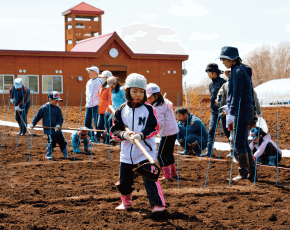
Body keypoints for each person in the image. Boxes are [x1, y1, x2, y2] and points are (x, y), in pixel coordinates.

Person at [110, 73, 166, 212]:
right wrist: (124, 135)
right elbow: (114, 130)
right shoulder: (121, 110)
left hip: (145, 152)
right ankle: (126, 202)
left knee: (150, 178)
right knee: (125, 180)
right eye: (135, 91)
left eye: (141, 91)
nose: (138, 94)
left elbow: (154, 127)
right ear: (127, 91)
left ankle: (158, 205)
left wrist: (142, 135)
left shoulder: (149, 109)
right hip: (126, 153)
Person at [218, 46, 257, 181]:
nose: (223, 61)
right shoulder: (239, 70)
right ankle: (251, 173)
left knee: (239, 142)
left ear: (231, 59)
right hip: (244, 110)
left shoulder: (238, 72)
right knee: (243, 142)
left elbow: (236, 95)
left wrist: (232, 112)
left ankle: (243, 173)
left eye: (224, 59)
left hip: (242, 110)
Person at [215, 69, 262, 158]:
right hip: (233, 114)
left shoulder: (246, 84)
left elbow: (254, 98)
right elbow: (220, 98)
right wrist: (222, 105)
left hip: (245, 114)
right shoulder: (226, 86)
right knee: (233, 135)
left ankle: (246, 153)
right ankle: (235, 153)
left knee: (246, 134)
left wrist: (257, 111)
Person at [146, 83, 178, 180]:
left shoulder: (159, 108)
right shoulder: (165, 102)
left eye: (150, 98)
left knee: (161, 155)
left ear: (156, 96)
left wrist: (151, 131)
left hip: (167, 133)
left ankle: (167, 176)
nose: (148, 100)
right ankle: (173, 173)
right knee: (168, 153)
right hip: (173, 131)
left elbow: (158, 123)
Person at [201, 63, 230, 157]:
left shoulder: (223, 82)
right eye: (207, 73)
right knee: (211, 131)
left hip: (223, 110)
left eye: (209, 72)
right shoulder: (210, 85)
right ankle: (209, 151)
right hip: (214, 111)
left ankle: (233, 151)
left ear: (215, 72)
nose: (208, 74)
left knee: (227, 131)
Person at [28, 91, 68, 159]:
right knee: (52, 141)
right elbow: (37, 117)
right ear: (50, 99)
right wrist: (32, 124)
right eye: (55, 100)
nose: (57, 102)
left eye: (57, 100)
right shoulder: (43, 108)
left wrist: (58, 125)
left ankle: (65, 153)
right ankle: (48, 154)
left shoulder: (58, 109)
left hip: (57, 129)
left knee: (62, 141)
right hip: (49, 129)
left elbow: (60, 119)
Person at [104, 76, 126, 145]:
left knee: (113, 123)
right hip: (114, 111)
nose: (110, 87)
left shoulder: (121, 90)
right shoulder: (113, 91)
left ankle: (117, 138)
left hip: (121, 111)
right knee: (108, 123)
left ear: (115, 83)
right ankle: (112, 137)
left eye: (111, 85)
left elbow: (126, 100)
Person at [84, 66, 103, 142]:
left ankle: (98, 137)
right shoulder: (89, 82)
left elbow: (99, 94)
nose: (89, 73)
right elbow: (87, 93)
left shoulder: (99, 82)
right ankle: (92, 136)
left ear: (95, 73)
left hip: (96, 105)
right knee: (87, 122)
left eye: (90, 71)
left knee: (97, 123)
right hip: (89, 105)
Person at [96, 70, 113, 143]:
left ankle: (107, 141)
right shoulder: (102, 86)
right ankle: (98, 139)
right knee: (99, 126)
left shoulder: (110, 88)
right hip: (101, 110)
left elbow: (110, 100)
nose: (101, 79)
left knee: (108, 126)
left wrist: (108, 109)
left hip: (107, 111)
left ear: (107, 78)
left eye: (103, 77)